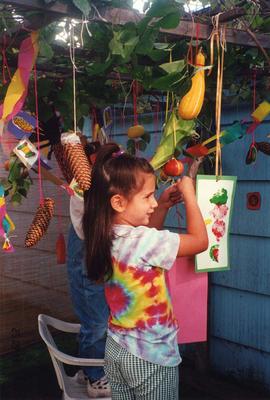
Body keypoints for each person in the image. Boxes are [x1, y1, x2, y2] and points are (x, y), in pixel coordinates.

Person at [82, 142, 208, 399]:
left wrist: (161, 206)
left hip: (117, 348)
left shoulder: (105, 235)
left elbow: (146, 239)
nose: (152, 202)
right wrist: (191, 197)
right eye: (147, 196)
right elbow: (199, 242)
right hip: (151, 355)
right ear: (118, 202)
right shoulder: (143, 242)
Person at [67, 141, 111, 398]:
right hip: (88, 267)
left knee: (93, 321)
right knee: (96, 324)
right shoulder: (83, 190)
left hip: (90, 265)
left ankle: (86, 368)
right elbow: (88, 229)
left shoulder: (90, 187)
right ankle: (95, 378)